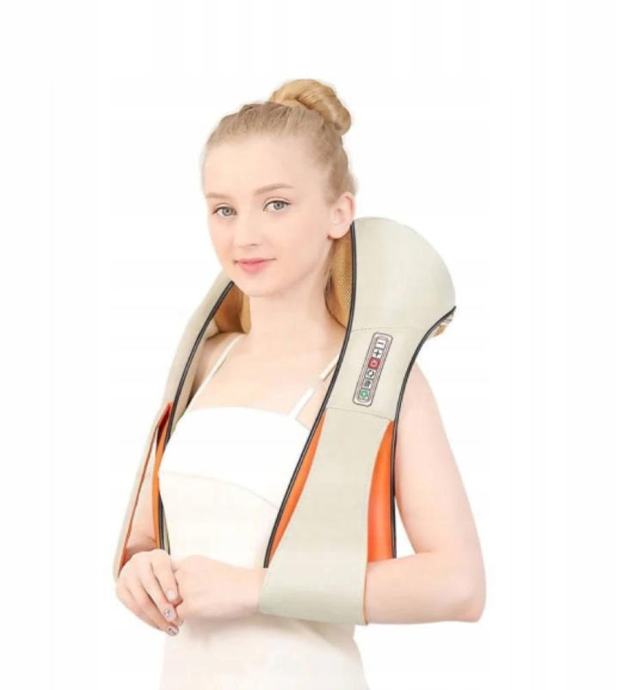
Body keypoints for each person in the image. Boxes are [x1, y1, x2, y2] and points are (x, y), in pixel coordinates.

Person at [115, 78, 486, 690]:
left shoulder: (378, 381)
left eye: (276, 204)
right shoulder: (203, 361)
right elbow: (142, 539)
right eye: (224, 209)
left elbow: (459, 584)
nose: (244, 235)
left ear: (339, 213)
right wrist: (139, 570)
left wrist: (253, 589)